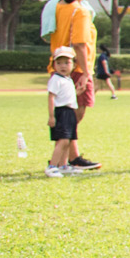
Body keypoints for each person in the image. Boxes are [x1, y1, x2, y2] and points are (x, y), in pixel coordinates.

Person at [47, 0, 101, 171]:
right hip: (76, 68)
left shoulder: (58, 7)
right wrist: (86, 73)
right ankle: (66, 158)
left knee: (68, 116)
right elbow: (79, 44)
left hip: (60, 66)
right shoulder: (80, 11)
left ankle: (68, 158)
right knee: (74, 115)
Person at [45, 46, 82, 177]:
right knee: (63, 140)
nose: (63, 66)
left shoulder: (68, 79)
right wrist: (51, 116)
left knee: (69, 140)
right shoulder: (56, 79)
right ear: (53, 64)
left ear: (73, 64)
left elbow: (67, 95)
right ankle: (52, 166)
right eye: (59, 63)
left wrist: (78, 92)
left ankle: (63, 165)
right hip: (62, 112)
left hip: (70, 111)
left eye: (67, 62)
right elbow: (51, 97)